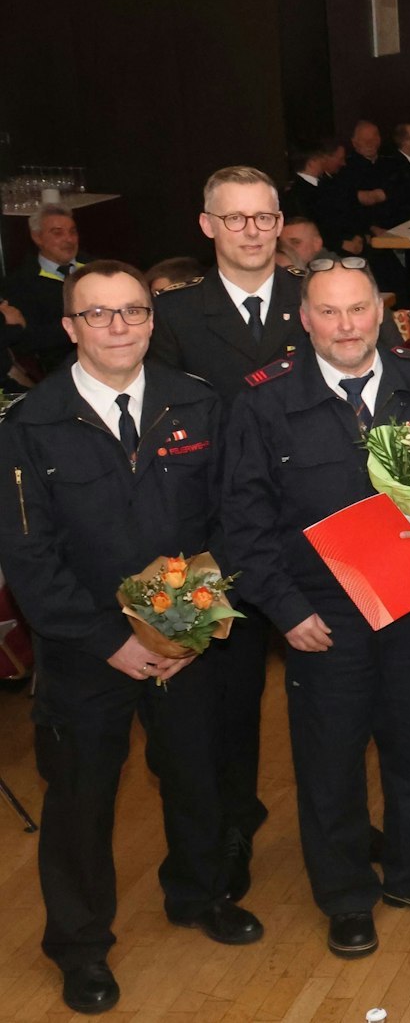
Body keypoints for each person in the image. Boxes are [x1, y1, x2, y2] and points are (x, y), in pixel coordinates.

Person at [0, 261, 261, 1015]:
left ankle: (199, 892)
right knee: (81, 802)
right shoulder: (29, 425)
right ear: (70, 328)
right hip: (86, 654)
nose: (119, 326)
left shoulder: (199, 405)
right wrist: (108, 639)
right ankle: (80, 946)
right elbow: (29, 556)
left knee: (196, 777)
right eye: (99, 314)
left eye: (133, 311)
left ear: (153, 319)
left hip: (186, 638)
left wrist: (190, 624)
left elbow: (229, 521)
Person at [222, 260, 410, 957]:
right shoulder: (263, 404)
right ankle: (345, 896)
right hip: (321, 618)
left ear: (381, 313)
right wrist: (284, 609)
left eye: (358, 309)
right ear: (304, 320)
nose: (345, 326)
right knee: (330, 764)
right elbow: (244, 527)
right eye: (329, 313)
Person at [151, 166, 331, 909]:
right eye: (235, 219)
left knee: (333, 699)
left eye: (263, 218)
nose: (252, 231)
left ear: (280, 221)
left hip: (316, 538)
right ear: (207, 226)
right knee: (220, 709)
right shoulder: (175, 318)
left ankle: (337, 827)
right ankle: (226, 841)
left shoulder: (318, 301)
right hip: (213, 545)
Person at [4, 202, 90, 372]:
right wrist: (82, 323)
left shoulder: (96, 268)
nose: (69, 239)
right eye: (58, 233)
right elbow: (26, 341)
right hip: (60, 368)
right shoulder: (20, 284)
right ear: (37, 237)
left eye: (73, 232)